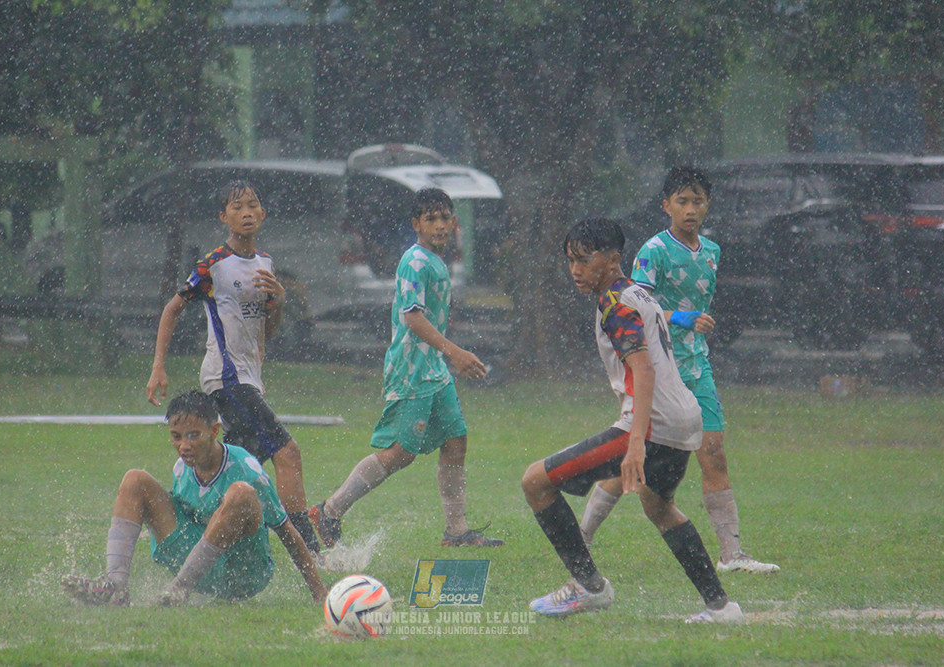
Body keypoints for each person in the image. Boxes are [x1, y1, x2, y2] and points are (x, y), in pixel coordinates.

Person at [522, 217, 742, 623]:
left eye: (584, 260)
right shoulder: (638, 293)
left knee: (535, 481)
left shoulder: (615, 303)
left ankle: (588, 587)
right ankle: (721, 607)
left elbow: (643, 369)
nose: (575, 270)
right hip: (683, 420)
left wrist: (636, 442)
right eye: (570, 260)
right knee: (660, 508)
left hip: (652, 425)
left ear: (612, 260)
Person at [578, 167, 779, 574]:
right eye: (682, 201)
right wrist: (682, 318)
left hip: (697, 366)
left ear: (708, 205)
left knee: (714, 453)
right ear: (666, 205)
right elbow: (634, 306)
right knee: (632, 463)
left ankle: (732, 555)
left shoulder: (712, 252)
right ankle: (580, 540)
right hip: (659, 370)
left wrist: (694, 329)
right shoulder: (653, 251)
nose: (691, 209)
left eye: (698, 201)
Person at [308, 188, 503, 549]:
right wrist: (454, 352)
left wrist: (445, 356)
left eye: (445, 218)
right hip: (412, 370)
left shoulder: (436, 260)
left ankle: (456, 531)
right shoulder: (415, 261)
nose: (440, 225)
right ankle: (329, 510)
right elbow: (412, 318)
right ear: (416, 224)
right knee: (400, 452)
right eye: (431, 219)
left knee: (455, 440)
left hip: (433, 369)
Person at [145, 180, 320, 554]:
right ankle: (311, 550)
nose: (246, 213)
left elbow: (265, 332)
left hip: (250, 379)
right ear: (224, 217)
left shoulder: (265, 264)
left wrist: (279, 302)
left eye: (252, 206)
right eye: (237, 207)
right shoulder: (213, 266)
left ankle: (184, 527)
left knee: (238, 468)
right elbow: (172, 309)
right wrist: (158, 367)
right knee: (287, 454)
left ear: (263, 214)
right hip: (226, 378)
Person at [61, 390, 327, 606]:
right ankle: (116, 588)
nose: (184, 446)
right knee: (135, 479)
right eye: (176, 437)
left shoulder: (247, 468)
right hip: (202, 565)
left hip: (243, 573)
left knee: (241, 493)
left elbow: (287, 532)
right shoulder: (181, 469)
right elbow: (183, 516)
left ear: (214, 431)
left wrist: (319, 593)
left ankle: (180, 588)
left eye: (193, 435)